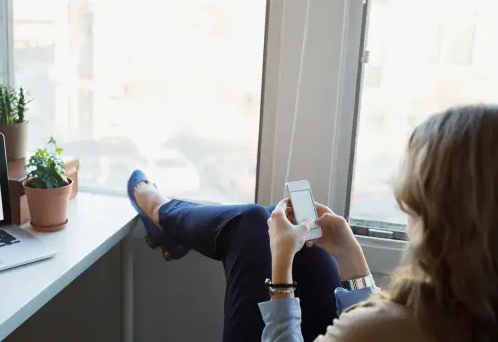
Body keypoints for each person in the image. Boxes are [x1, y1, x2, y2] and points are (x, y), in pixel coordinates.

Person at [127, 105, 498, 342]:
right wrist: (351, 256)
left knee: (255, 226)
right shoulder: (471, 308)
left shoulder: (382, 329)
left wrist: (280, 269)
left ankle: (163, 213)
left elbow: (377, 326)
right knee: (315, 255)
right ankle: (166, 214)